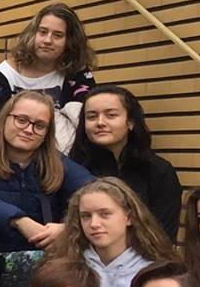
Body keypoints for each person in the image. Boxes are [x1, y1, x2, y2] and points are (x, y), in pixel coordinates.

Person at [12, 177, 173, 287]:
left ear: (129, 217)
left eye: (105, 214)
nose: (94, 224)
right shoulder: (63, 265)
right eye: (86, 216)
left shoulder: (154, 273)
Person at [0, 87, 92, 282]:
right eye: (21, 120)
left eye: (39, 125)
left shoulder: (56, 162)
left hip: (42, 269)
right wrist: (18, 220)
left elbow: (102, 195)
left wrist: (69, 227)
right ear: (5, 118)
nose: (29, 130)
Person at [0, 2, 96, 151]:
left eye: (58, 35)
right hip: (11, 148)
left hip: (60, 151)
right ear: (33, 34)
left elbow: (87, 117)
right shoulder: (8, 71)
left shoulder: (76, 72)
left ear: (70, 42)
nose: (47, 40)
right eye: (42, 32)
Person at [70, 85, 181, 237]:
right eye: (91, 116)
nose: (100, 122)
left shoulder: (158, 170)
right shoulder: (72, 168)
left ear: (130, 122)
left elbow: (164, 235)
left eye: (111, 115)